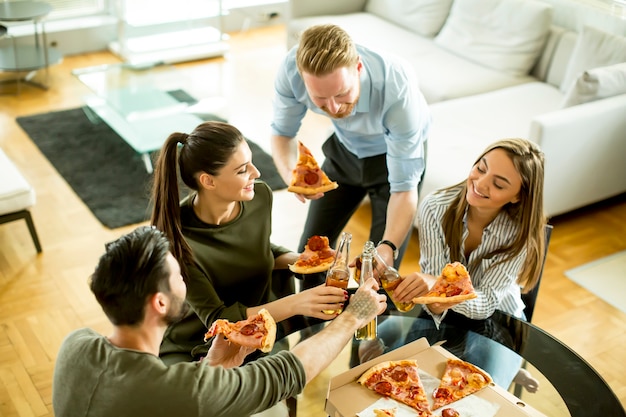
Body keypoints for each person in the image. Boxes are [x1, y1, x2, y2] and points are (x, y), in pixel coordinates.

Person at [52, 226, 387, 417]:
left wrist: (212, 366)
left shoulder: (75, 345)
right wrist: (352, 317)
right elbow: (288, 373)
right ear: (160, 301)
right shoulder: (184, 392)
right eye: (176, 274)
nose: (185, 276)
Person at [150, 121, 349, 364]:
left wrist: (302, 261)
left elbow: (259, 250)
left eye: (251, 163)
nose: (256, 173)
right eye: (242, 170)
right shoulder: (175, 238)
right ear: (208, 181)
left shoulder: (260, 197)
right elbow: (218, 318)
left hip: (265, 330)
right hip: (203, 345)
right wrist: (297, 303)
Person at [270, 24, 431, 291]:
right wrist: (291, 175)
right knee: (309, 258)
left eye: (342, 94)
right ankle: (313, 331)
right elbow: (282, 133)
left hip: (392, 158)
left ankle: (370, 332)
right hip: (344, 150)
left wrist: (389, 246)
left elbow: (404, 188)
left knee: (379, 272)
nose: (333, 108)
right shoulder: (290, 70)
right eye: (320, 98)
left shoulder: (395, 86)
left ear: (357, 67)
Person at [376, 138, 546, 390]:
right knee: (399, 382)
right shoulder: (435, 207)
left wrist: (440, 288)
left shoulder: (521, 232)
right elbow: (435, 301)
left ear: (518, 196)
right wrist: (434, 288)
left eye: (499, 184)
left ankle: (506, 368)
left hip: (497, 315)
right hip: (442, 312)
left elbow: (486, 303)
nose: (480, 183)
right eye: (481, 168)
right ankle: (504, 367)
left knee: (482, 391)